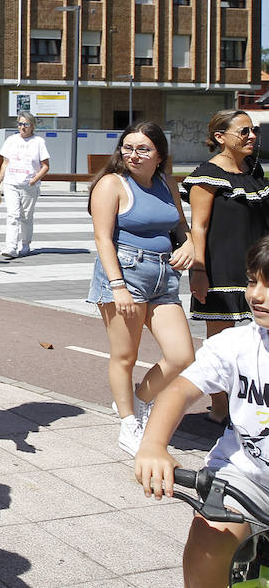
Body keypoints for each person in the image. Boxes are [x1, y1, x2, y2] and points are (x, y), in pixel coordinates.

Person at [134, 235, 269, 586]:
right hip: (245, 478)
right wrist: (153, 446)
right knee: (208, 540)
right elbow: (179, 389)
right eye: (253, 280)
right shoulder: (236, 344)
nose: (255, 295)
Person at [87, 122, 194, 456]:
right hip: (125, 273)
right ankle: (129, 422)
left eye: (143, 149)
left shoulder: (166, 182)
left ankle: (141, 398)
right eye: (128, 147)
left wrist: (189, 244)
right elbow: (102, 238)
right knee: (125, 355)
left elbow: (180, 224)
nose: (133, 155)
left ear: (159, 155)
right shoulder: (111, 184)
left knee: (182, 355)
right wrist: (118, 287)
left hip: (164, 275)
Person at [182, 110, 268, 425]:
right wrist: (199, 272)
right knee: (219, 341)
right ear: (221, 137)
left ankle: (252, 402)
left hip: (258, 269)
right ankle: (220, 408)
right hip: (221, 269)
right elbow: (199, 228)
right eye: (244, 131)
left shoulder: (254, 170)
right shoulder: (207, 174)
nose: (252, 137)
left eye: (253, 131)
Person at [0, 111, 50, 258]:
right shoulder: (11, 140)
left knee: (26, 216)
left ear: (32, 126)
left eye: (26, 124)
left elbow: (45, 166)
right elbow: (5, 164)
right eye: (20, 124)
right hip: (11, 183)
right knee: (12, 215)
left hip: (29, 185)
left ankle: (25, 244)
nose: (22, 127)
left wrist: (34, 179)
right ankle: (10, 246)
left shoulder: (38, 142)